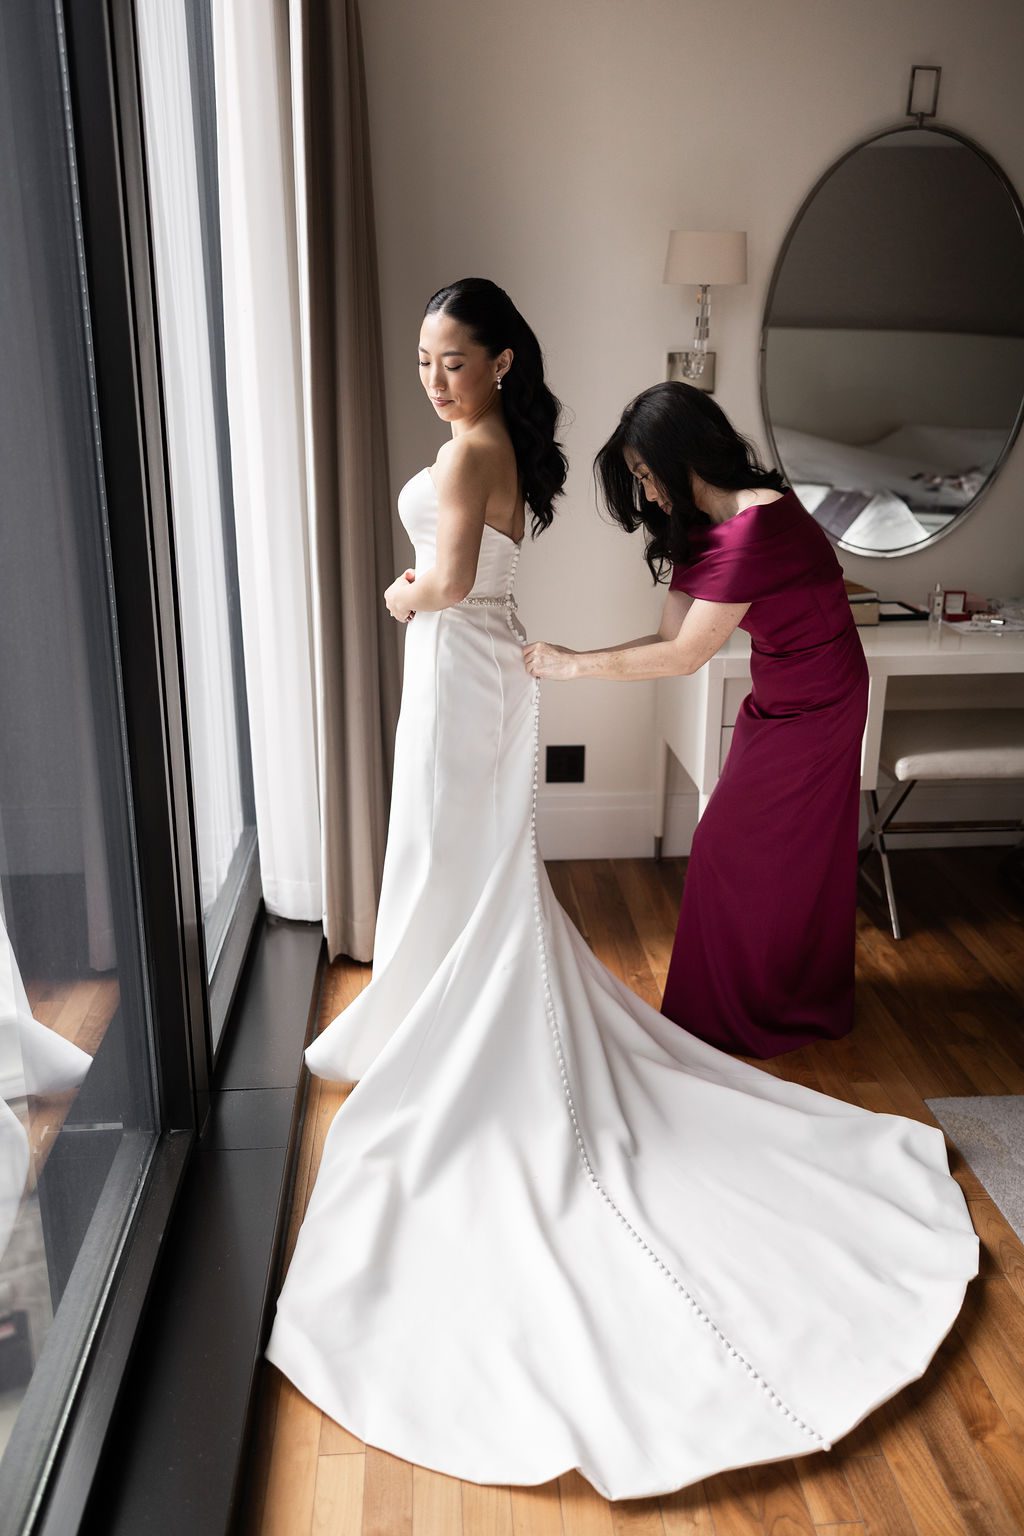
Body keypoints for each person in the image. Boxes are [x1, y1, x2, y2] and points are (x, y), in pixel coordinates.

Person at [263, 293, 977, 1501]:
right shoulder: (689, 511)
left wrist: (417, 602)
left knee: (565, 863)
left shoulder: (501, 458)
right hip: (589, 679)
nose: (434, 377)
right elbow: (662, 612)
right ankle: (717, 1009)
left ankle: (710, 1014)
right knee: (515, 867)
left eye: (452, 361)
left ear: (495, 364)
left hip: (561, 674)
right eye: (423, 361)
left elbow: (546, 612)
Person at [526, 381, 870, 1058]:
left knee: (734, 850)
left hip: (824, 702)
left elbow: (685, 657)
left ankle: (750, 1011)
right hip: (781, 693)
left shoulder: (760, 524)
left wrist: (573, 667)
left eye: (648, 474)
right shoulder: (706, 529)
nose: (648, 494)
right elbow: (664, 639)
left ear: (682, 455)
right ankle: (778, 993)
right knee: (770, 856)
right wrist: (570, 658)